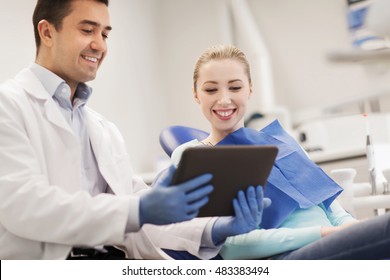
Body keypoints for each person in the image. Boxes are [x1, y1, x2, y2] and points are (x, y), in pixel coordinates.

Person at [0, 1, 268, 260]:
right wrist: (139, 209)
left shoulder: (102, 128)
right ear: (47, 32)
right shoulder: (8, 106)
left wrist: (217, 228)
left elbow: (143, 215)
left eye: (104, 34)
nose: (99, 44)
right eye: (87, 30)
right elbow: (24, 206)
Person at [171, 44, 390, 259]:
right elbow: (231, 246)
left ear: (250, 89)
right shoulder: (192, 155)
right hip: (285, 257)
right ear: (196, 94)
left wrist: (352, 229)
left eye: (235, 87)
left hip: (335, 243)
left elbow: (332, 208)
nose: (224, 99)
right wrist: (324, 234)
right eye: (211, 89)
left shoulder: (279, 141)